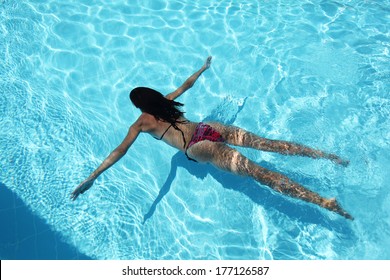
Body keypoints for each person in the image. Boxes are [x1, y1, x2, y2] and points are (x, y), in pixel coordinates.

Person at [71, 56, 353, 220]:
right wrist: (203, 68)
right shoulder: (167, 101)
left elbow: (120, 151)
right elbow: (187, 84)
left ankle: (322, 202)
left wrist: (94, 175)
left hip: (199, 147)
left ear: (138, 105)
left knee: (259, 173)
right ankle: (327, 156)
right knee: (269, 144)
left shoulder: (141, 123)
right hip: (209, 128)